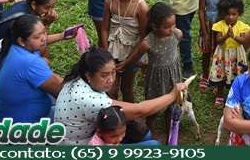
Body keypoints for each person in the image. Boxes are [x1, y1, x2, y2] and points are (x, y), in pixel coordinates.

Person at [55, 47, 186, 145]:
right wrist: (172, 95)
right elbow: (139, 111)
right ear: (89, 74)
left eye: (113, 72)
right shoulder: (88, 100)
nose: (111, 79)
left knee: (145, 135)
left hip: (74, 138)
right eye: (104, 75)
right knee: (154, 145)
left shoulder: (76, 79)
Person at [120, 2, 181, 139]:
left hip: (173, 77)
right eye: (167, 27)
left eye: (173, 25)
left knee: (170, 109)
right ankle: (152, 140)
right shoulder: (147, 43)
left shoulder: (177, 34)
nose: (172, 29)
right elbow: (134, 60)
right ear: (154, 27)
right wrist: (146, 66)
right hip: (156, 81)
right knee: (152, 113)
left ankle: (170, 139)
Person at [0, 14, 63, 123]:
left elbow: (43, 56)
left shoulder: (15, 48)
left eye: (44, 32)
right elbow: (62, 92)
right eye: (37, 37)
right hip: (27, 128)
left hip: (7, 120)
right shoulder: (30, 62)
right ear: (21, 41)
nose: (44, 38)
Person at [198, 0, 236, 94]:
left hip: (223, 26)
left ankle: (218, 77)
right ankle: (205, 75)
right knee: (207, 51)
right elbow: (201, 11)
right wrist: (205, 33)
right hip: (209, 25)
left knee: (220, 52)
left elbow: (232, 8)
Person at [209, 0, 250, 109]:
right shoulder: (219, 25)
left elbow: (243, 41)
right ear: (222, 14)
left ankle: (236, 94)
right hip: (223, 55)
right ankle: (220, 95)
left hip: (237, 55)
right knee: (221, 73)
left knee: (237, 74)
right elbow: (219, 41)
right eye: (227, 14)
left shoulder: (242, 26)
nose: (231, 17)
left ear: (239, 13)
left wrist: (234, 36)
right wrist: (226, 35)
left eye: (234, 14)